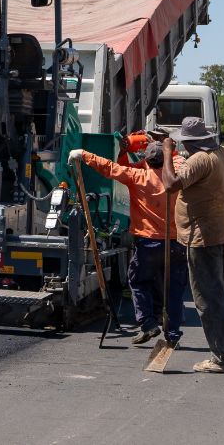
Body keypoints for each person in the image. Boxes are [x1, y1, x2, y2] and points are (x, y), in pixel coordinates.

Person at [69, 140, 188, 346]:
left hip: (148, 242)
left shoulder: (138, 177)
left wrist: (84, 154)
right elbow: (177, 159)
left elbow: (110, 168)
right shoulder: (176, 175)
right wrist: (168, 147)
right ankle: (173, 334)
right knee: (174, 289)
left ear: (147, 161)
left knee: (139, 282)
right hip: (176, 242)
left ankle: (148, 324)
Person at [162, 116, 224, 374]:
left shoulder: (198, 160)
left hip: (204, 239)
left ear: (189, 143)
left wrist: (167, 153)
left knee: (208, 300)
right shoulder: (222, 152)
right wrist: (223, 196)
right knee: (219, 296)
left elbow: (170, 185)